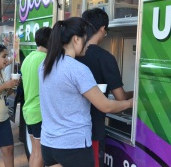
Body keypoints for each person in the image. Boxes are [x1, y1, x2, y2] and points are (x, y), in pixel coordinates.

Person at [38, 17, 133, 167]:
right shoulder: (77, 69)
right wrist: (130, 103)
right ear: (76, 39)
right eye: (85, 40)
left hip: (49, 144)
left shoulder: (45, 65)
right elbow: (105, 106)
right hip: (73, 147)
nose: (88, 45)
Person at [77, 8, 133, 167]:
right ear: (102, 29)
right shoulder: (105, 58)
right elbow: (120, 97)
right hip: (92, 129)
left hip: (70, 131)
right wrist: (134, 95)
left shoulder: (72, 56)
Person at [21, 27, 51, 167]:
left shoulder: (28, 58)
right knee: (39, 152)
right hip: (39, 112)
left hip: (28, 110)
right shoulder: (46, 60)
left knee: (34, 151)